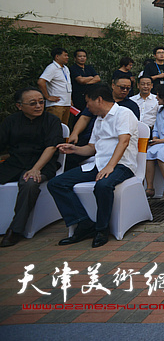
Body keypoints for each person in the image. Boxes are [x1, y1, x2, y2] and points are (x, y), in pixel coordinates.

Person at [49, 83, 140, 248]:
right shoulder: (99, 119)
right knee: (56, 183)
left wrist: (110, 166)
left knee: (103, 185)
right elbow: (92, 148)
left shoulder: (124, 113)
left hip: (121, 165)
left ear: (98, 100)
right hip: (98, 164)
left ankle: (101, 229)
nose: (86, 106)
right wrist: (74, 149)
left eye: (87, 102)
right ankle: (83, 223)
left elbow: (124, 141)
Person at [0, 87, 63, 247]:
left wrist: (36, 168)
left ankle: (15, 230)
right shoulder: (11, 121)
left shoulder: (51, 121)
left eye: (41, 102)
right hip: (15, 163)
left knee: (29, 182)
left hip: (43, 163)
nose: (38, 106)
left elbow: (51, 147)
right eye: (33, 103)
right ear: (19, 106)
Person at [38, 47, 72, 124]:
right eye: (65, 55)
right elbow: (41, 82)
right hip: (56, 104)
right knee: (54, 127)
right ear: (57, 56)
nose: (67, 57)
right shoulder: (52, 68)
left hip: (66, 103)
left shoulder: (65, 68)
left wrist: (70, 99)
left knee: (64, 128)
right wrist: (47, 97)